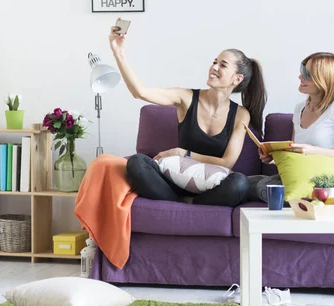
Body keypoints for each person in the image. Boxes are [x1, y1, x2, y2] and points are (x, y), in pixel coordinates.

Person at [108, 21, 268, 207]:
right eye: (214, 62)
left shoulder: (241, 115)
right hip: (172, 183)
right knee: (136, 162)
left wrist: (184, 153)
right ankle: (181, 201)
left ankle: (189, 203)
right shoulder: (186, 97)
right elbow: (140, 92)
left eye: (222, 65)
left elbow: (227, 162)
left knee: (239, 183)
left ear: (237, 78)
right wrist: (118, 52)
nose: (214, 67)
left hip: (210, 188)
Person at [248, 52, 334, 202]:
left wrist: (312, 151)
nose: (300, 77)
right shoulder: (300, 108)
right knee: (245, 182)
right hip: (305, 174)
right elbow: (295, 152)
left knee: (261, 187)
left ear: (325, 78)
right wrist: (273, 157)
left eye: (308, 74)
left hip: (330, 179)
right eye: (302, 71)